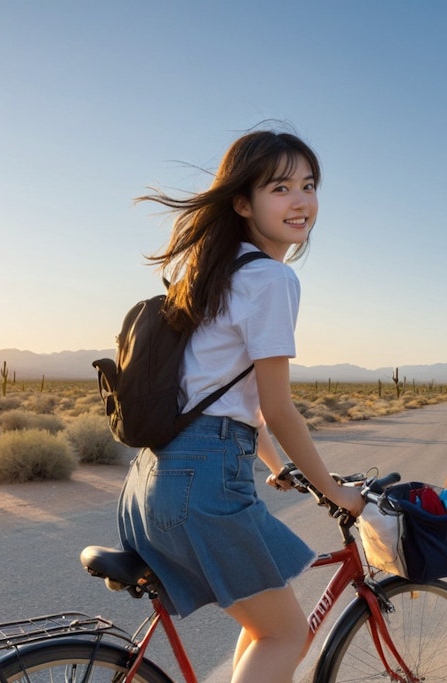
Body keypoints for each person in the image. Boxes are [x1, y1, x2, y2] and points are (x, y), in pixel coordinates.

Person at [117, 126, 365, 683]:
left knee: (262, 629)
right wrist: (337, 492)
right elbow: (277, 408)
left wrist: (278, 468)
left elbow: (227, 400)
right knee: (286, 634)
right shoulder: (271, 279)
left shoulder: (214, 275)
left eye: (309, 184)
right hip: (204, 483)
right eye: (280, 188)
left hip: (154, 479)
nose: (301, 201)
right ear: (242, 201)